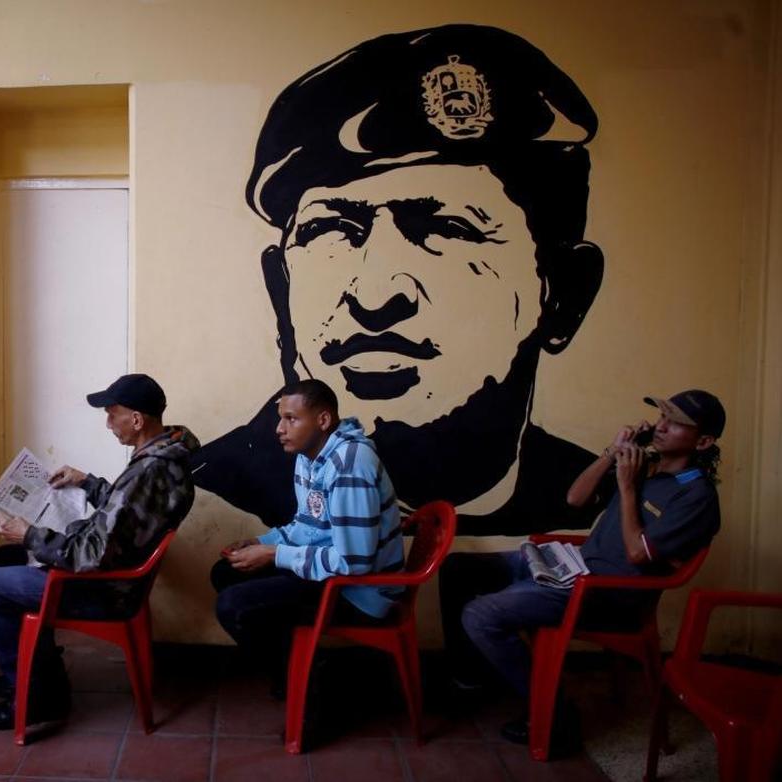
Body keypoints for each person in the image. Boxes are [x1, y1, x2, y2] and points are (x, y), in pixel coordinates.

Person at [193, 24, 606, 536]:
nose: (374, 294)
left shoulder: (601, 505)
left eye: (449, 228)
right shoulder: (221, 489)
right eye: (332, 229)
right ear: (281, 293)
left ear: (563, 296)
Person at [438, 389, 724, 751]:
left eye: (676, 423)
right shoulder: (644, 466)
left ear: (703, 441)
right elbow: (575, 498)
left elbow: (638, 554)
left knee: (481, 615)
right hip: (574, 569)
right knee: (458, 568)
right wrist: (612, 453)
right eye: (662, 416)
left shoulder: (696, 497)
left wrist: (627, 486)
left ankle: (556, 712)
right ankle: (472, 680)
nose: (662, 426)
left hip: (608, 596)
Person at [0, 373, 198, 733]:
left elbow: (92, 554)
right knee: (5, 561)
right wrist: (86, 482)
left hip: (103, 590)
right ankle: (40, 674)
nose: (108, 424)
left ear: (136, 420)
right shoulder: (165, 456)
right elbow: (130, 512)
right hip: (114, 576)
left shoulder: (148, 470)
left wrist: (29, 533)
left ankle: (36, 696)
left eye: (112, 414)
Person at [211, 378, 404, 694]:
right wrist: (265, 542)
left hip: (362, 593)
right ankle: (294, 668)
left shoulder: (350, 464)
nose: (279, 428)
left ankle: (308, 683)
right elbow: (308, 526)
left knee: (234, 605)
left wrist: (274, 555)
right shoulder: (309, 456)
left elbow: (354, 562)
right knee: (226, 573)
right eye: (281, 418)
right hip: (333, 575)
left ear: (323, 420)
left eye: (291, 419)